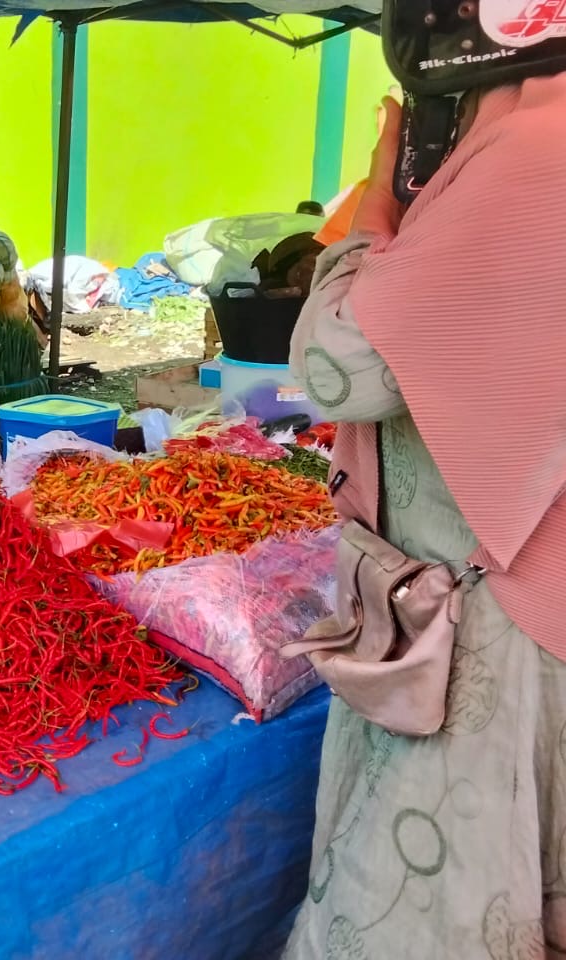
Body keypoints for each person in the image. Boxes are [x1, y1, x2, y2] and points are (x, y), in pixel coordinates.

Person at [284, 79, 566, 959]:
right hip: (512, 591)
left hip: (487, 618)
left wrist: (376, 199)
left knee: (424, 903)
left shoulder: (533, 154)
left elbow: (337, 369)